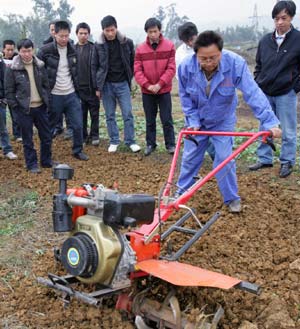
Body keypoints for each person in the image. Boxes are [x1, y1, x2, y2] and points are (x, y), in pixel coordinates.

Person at [176, 31, 281, 213]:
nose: (208, 63)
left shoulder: (235, 64)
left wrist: (270, 121)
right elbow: (185, 97)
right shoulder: (186, 67)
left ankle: (231, 198)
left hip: (221, 120)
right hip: (197, 119)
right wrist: (192, 120)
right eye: (203, 58)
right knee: (190, 158)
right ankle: (180, 194)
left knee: (224, 158)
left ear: (221, 53)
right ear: (195, 55)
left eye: (213, 58)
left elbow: (252, 93)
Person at [249, 0, 300, 178]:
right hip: (266, 92)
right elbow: (259, 65)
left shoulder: (298, 40)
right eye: (276, 18)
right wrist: (258, 82)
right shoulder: (265, 41)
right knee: (264, 126)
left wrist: (295, 87)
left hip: (287, 93)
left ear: (291, 18)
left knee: (288, 129)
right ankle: (264, 159)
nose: (280, 22)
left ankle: (287, 162)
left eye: (284, 18)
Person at [38, 20, 89, 161]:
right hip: (54, 95)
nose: (64, 39)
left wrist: (78, 91)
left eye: (67, 36)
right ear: (54, 34)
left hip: (71, 94)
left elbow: (76, 72)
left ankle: (77, 150)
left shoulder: (73, 49)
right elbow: (38, 73)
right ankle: (46, 155)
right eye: (61, 36)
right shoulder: (45, 51)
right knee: (50, 127)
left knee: (78, 125)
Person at [92, 15, 140, 153]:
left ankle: (130, 141)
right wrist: (97, 87)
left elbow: (132, 61)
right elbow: (94, 66)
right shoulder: (98, 45)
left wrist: (129, 77)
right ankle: (114, 140)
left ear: (116, 28)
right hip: (106, 85)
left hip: (123, 84)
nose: (110, 33)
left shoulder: (127, 42)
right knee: (110, 115)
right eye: (107, 31)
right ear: (103, 31)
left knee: (127, 113)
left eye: (112, 30)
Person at [5, 39, 52, 173]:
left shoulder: (39, 65)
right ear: (18, 52)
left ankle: (46, 161)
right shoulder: (13, 69)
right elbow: (9, 91)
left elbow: (45, 85)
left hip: (40, 107)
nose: (26, 54)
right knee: (27, 139)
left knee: (46, 136)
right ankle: (31, 164)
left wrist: (47, 100)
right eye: (23, 51)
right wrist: (15, 107)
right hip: (24, 109)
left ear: (33, 49)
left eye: (29, 50)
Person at [134, 18, 176, 156]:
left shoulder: (169, 46)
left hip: (163, 90)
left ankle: (170, 145)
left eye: (155, 31)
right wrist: (147, 85)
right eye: (150, 32)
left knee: (167, 119)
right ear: (146, 32)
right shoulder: (140, 49)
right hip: (148, 91)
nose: (153, 34)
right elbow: (137, 71)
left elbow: (171, 68)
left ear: (160, 31)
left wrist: (160, 84)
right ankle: (150, 144)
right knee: (150, 120)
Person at [176, 22, 215, 161]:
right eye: (189, 41)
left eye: (193, 39)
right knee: (194, 129)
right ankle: (193, 162)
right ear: (184, 41)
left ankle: (219, 160)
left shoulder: (209, 47)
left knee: (213, 129)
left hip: (210, 95)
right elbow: (181, 81)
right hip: (192, 96)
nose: (192, 43)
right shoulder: (180, 54)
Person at [75, 22, 100, 146]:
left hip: (92, 87)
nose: (83, 36)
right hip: (78, 89)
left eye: (86, 33)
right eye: (81, 33)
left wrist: (98, 87)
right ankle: (83, 136)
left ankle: (95, 135)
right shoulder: (72, 50)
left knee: (94, 113)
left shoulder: (94, 48)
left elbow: (99, 68)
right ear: (76, 34)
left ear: (89, 34)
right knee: (81, 114)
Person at [2, 40, 22, 142]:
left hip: (13, 92)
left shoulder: (18, 60)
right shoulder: (1, 62)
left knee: (15, 114)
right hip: (2, 92)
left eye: (12, 49)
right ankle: (3, 137)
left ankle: (17, 134)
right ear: (3, 49)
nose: (10, 52)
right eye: (8, 49)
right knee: (2, 117)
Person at [0, 56, 17, 160]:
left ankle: (7, 150)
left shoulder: (1, 63)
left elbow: (5, 80)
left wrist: (4, 96)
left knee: (2, 128)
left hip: (0, 100)